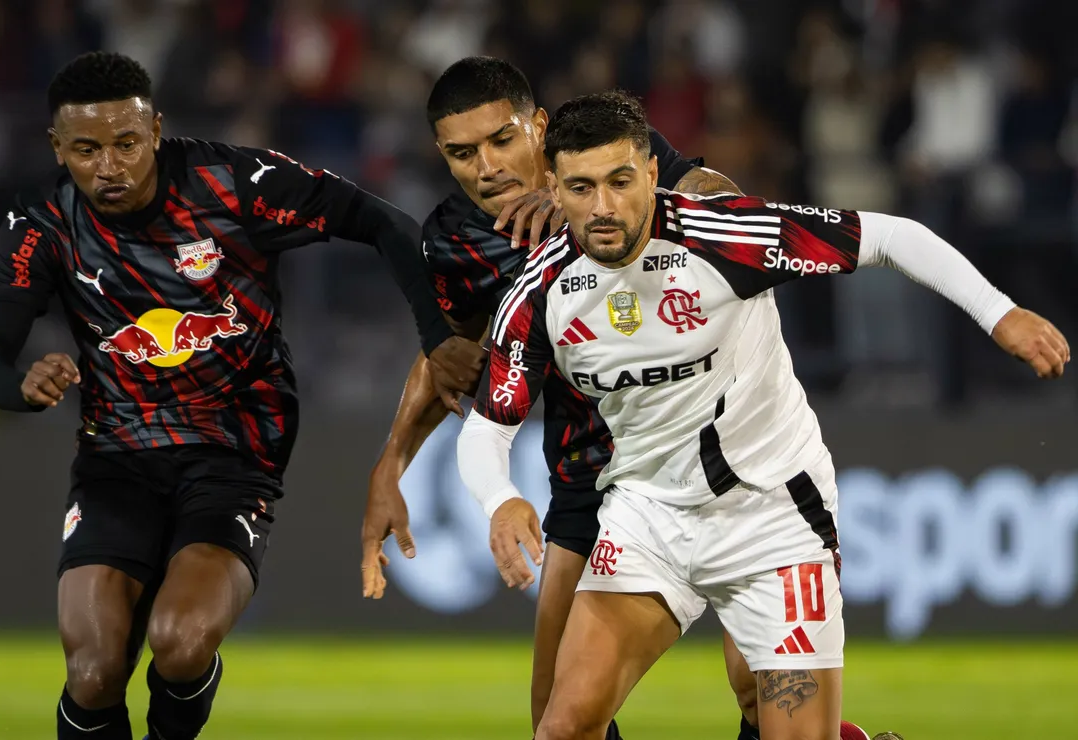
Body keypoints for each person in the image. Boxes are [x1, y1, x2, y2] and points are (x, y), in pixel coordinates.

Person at [457, 91, 1069, 740]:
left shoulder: (727, 238)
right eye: (581, 188)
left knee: (774, 718)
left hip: (770, 518)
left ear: (652, 175)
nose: (603, 208)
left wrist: (1001, 314)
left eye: (620, 181)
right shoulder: (542, 287)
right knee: (563, 728)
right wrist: (499, 498)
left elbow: (891, 236)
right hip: (647, 517)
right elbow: (488, 428)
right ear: (553, 186)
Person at [0, 51, 483, 740]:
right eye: (87, 150)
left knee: (180, 642)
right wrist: (20, 386)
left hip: (235, 449)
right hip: (117, 457)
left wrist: (438, 334)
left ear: (156, 129)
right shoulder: (41, 223)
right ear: (58, 148)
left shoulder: (232, 182)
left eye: (126, 143)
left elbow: (379, 220)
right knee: (92, 673)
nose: (110, 166)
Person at [357, 56, 761, 740]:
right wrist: (389, 465)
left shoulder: (608, 159)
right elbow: (452, 359)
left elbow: (728, 203)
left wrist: (589, 205)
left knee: (760, 688)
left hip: (718, 461)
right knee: (558, 720)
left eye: (502, 140)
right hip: (590, 478)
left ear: (537, 126)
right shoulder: (454, 242)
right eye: (462, 152)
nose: (487, 165)